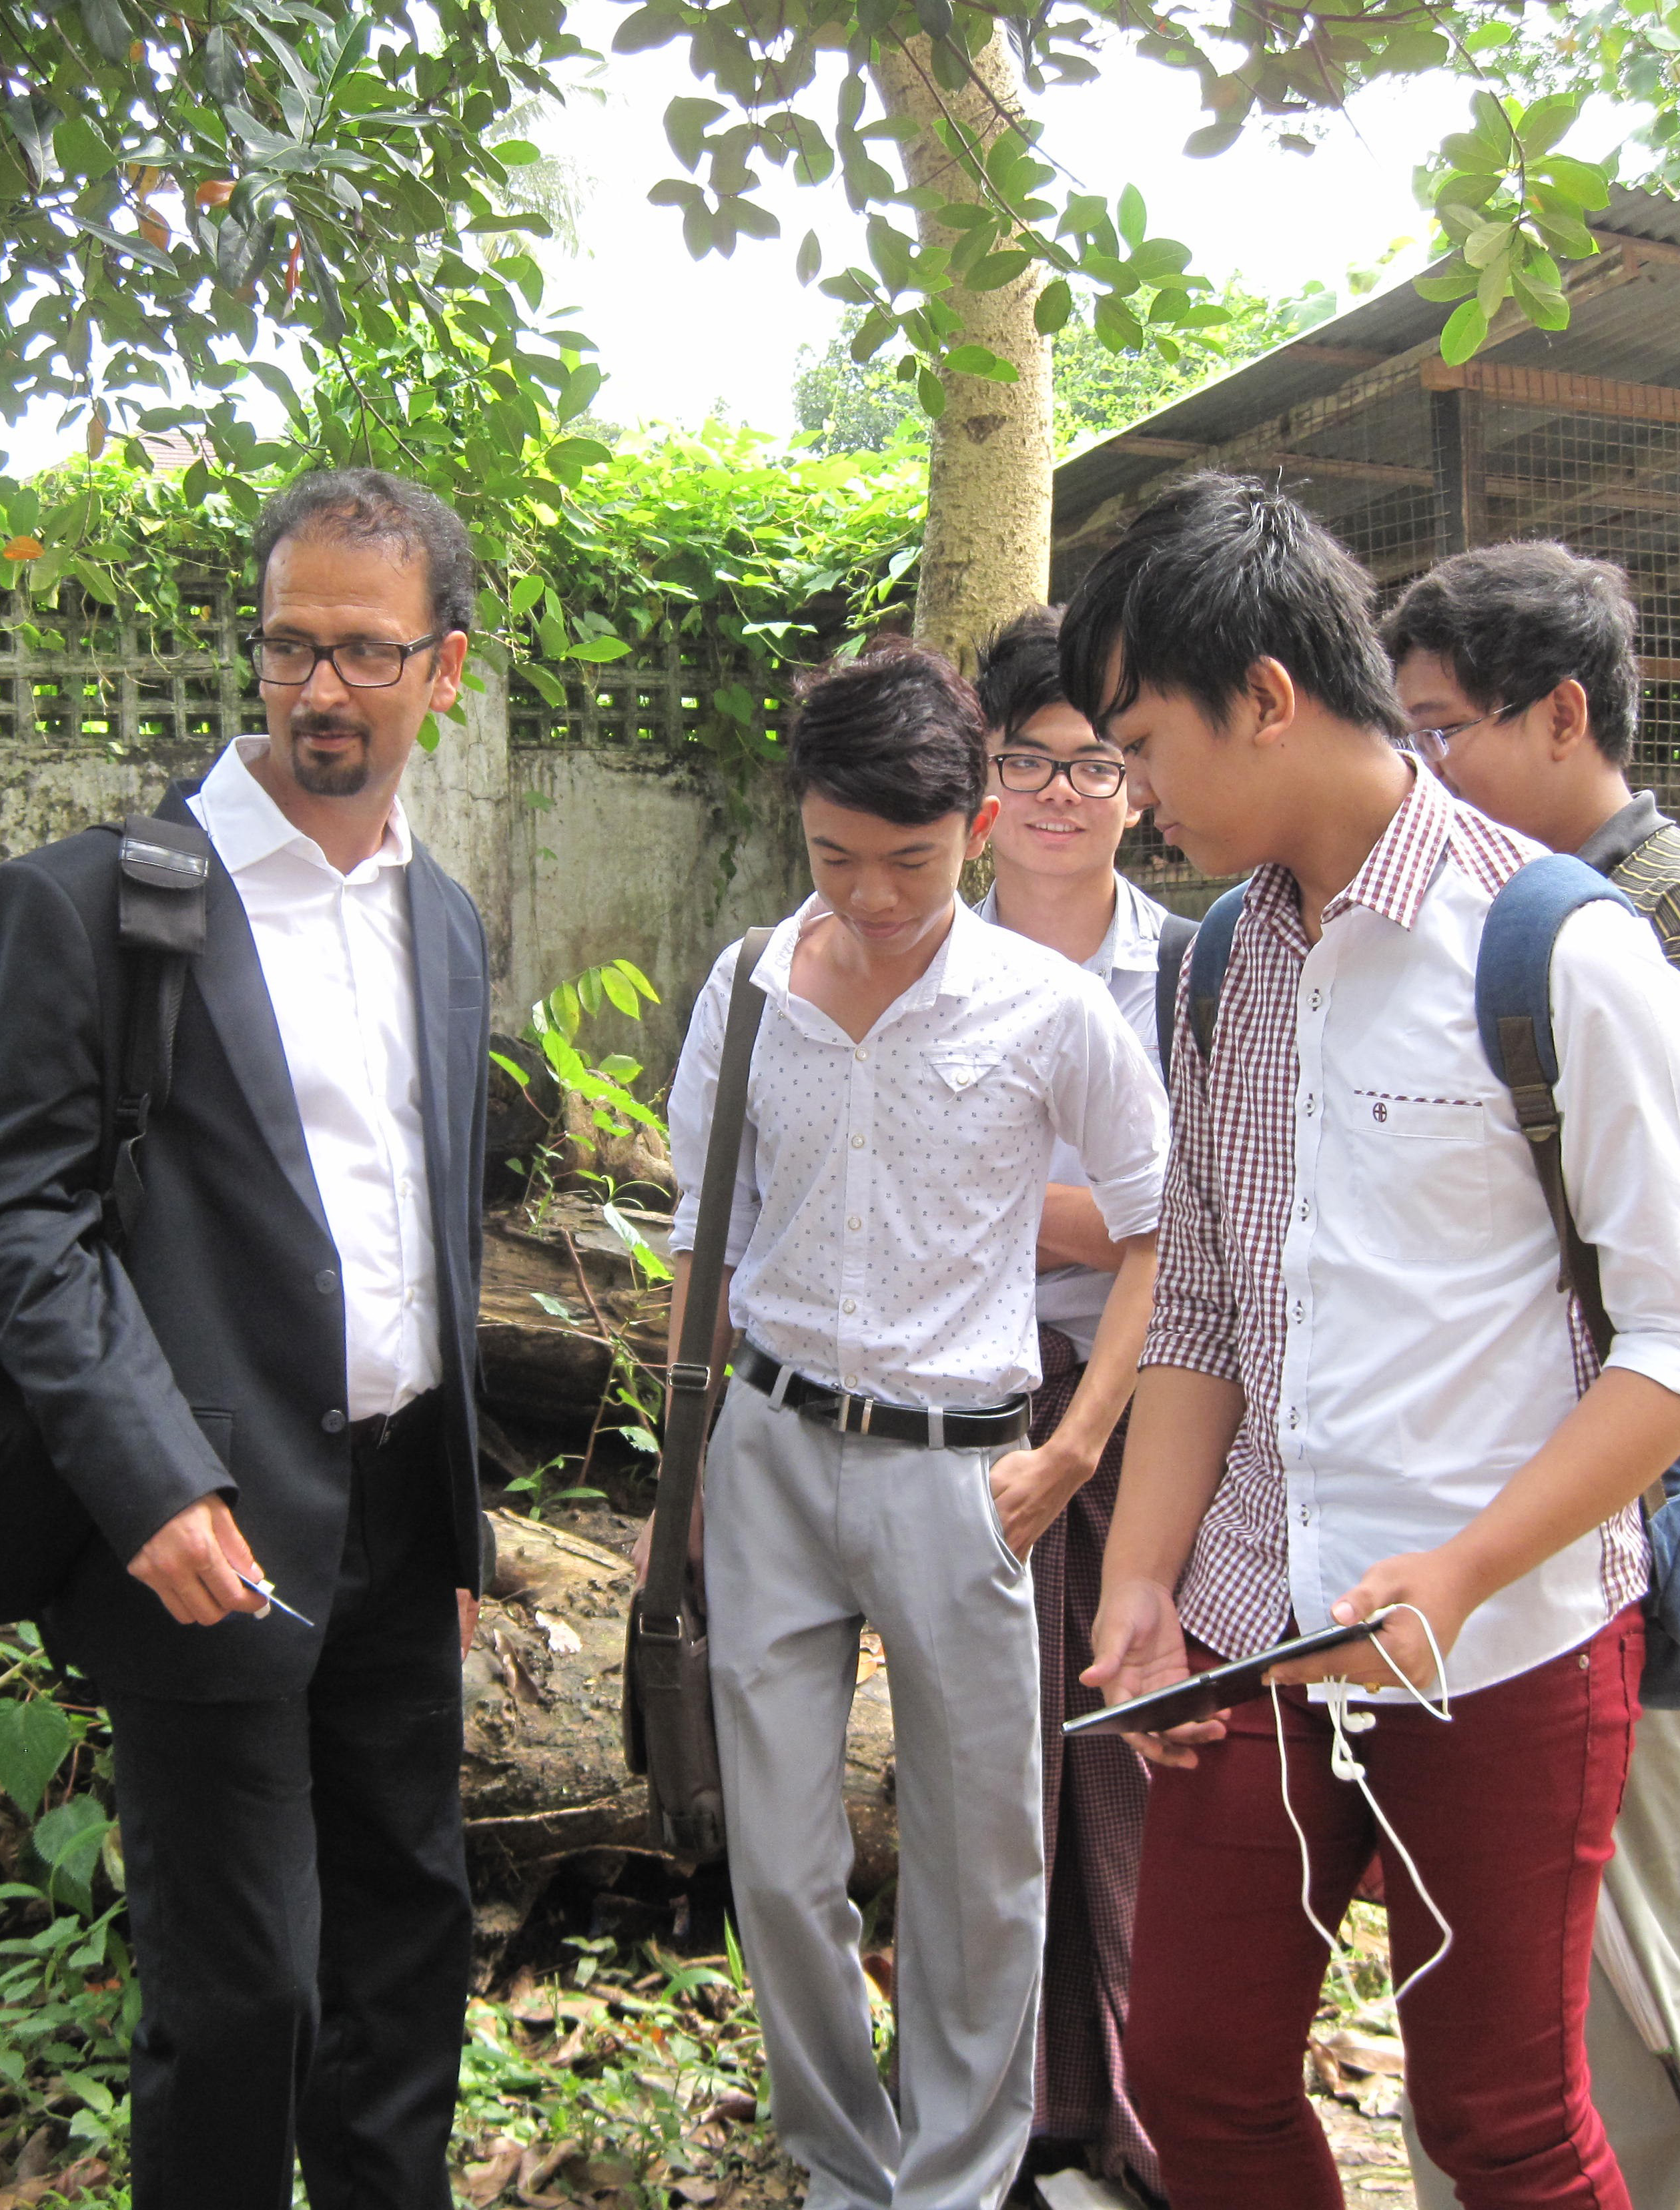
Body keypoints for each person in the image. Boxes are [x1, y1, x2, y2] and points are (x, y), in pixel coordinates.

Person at [1061, 472, 1680, 2210]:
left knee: (1503, 2125)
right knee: (1199, 2080)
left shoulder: (1563, 953)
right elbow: (1207, 1302)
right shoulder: (1224, 964)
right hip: (1255, 1634)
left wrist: (1459, 1568)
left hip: (1501, 1644)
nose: (1131, 797)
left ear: (1271, 699)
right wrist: (1143, 1584)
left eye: (1143, 744)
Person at [0, 468, 492, 2210]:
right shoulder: (98, 906)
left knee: (406, 1953)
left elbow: (428, 1226)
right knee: (243, 1988)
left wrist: (459, 1507)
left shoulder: (445, 922)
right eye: (287, 648)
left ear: (444, 668)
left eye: (361, 653)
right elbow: (22, 1224)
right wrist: (145, 1481)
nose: (319, 690)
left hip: (403, 1515)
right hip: (207, 1522)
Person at [660, 643, 1170, 2210]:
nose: (871, 896)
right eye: (834, 857)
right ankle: (838, 2166)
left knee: (979, 1864)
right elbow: (702, 1242)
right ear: (796, 827)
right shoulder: (748, 990)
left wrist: (1079, 1443)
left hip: (967, 1474)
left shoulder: (1048, 1007)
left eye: (908, 860)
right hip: (768, 1454)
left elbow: (1166, 1224)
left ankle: (951, 2181)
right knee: (779, 1856)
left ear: (978, 824)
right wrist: (675, 1484)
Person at [1385, 539, 1680, 2210]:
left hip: (1645, 1508)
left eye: (1441, 728)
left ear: (1562, 716)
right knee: (1491, 1981)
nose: (1418, 770)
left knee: (1631, 1964)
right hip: (1492, 1524)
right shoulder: (1452, 912)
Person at [968, 606, 1170, 2204]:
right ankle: (1022, 2113)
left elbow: (1192, 1218)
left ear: (1136, 783)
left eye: (1091, 762)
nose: (1057, 793)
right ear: (982, 782)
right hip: (961, 1398)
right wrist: (1090, 1201)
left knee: (1130, 1733)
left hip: (1142, 1388)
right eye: (1025, 763)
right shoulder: (911, 944)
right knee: (992, 1762)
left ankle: (1152, 2098)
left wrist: (982, 1184)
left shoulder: (1188, 965)